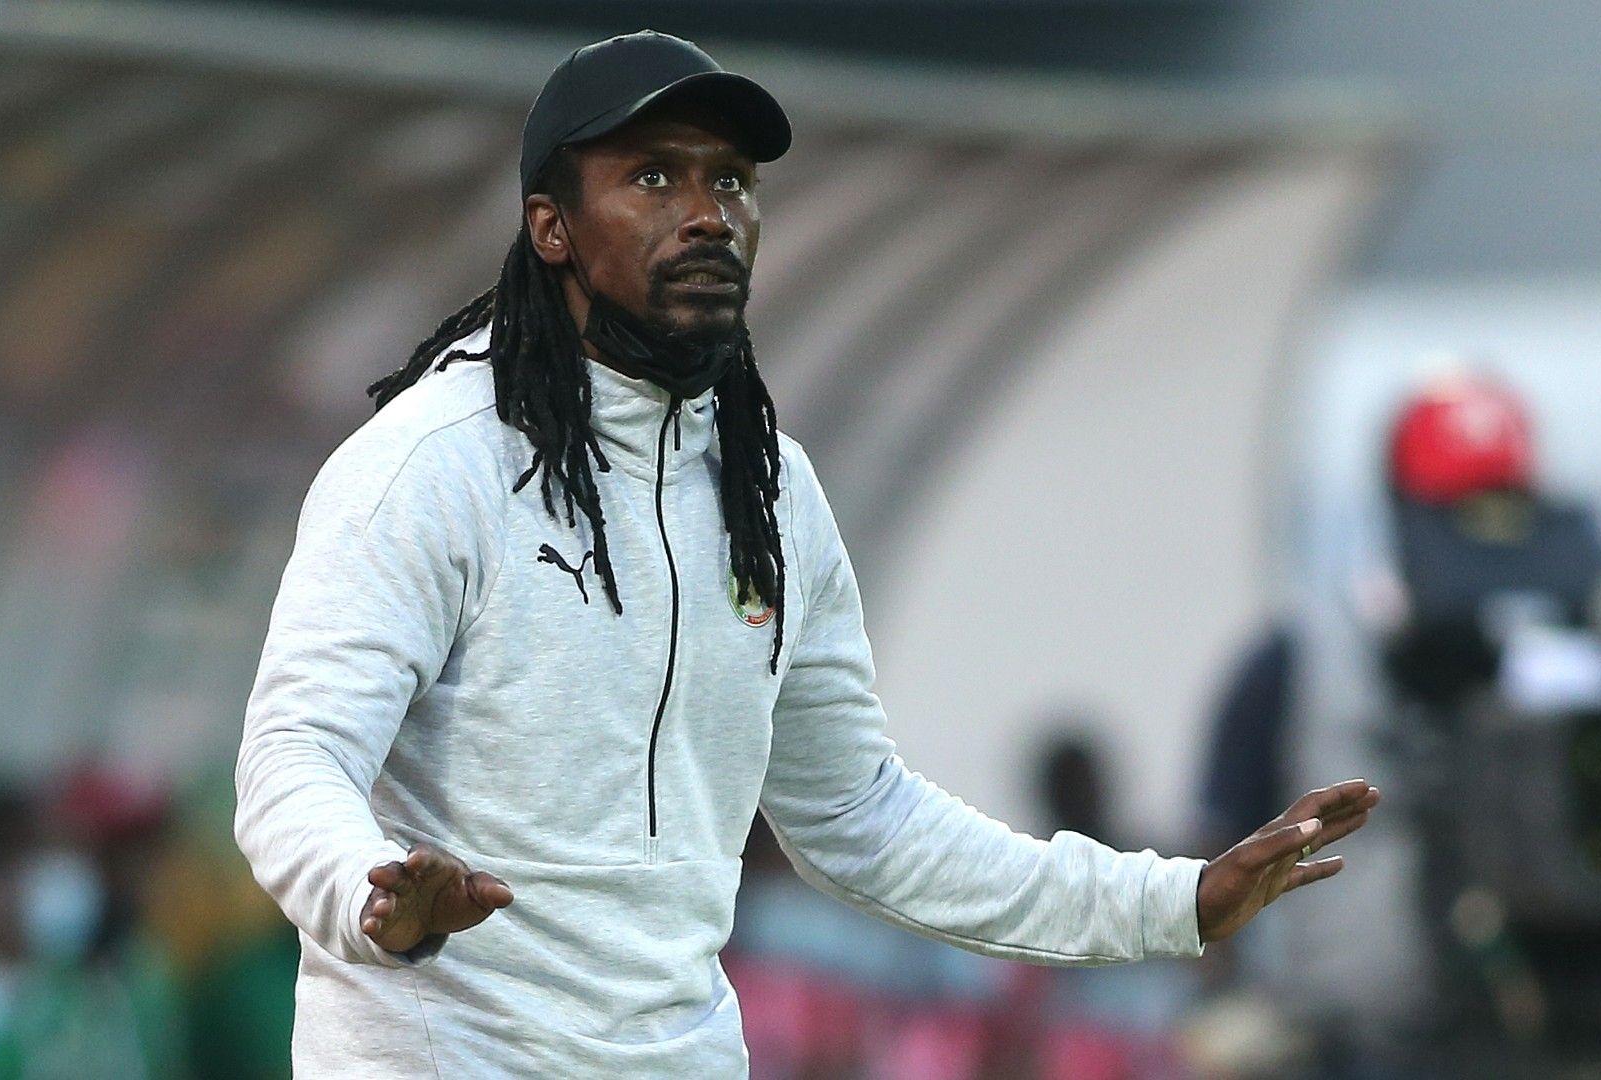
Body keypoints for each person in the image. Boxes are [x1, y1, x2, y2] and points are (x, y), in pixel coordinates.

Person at [232, 29, 1379, 1077]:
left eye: (729, 180)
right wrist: (368, 893)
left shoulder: (766, 488)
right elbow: (293, 758)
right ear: (551, 226)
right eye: (653, 176)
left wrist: (1176, 903)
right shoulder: (429, 467)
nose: (706, 213)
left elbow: (864, 819)